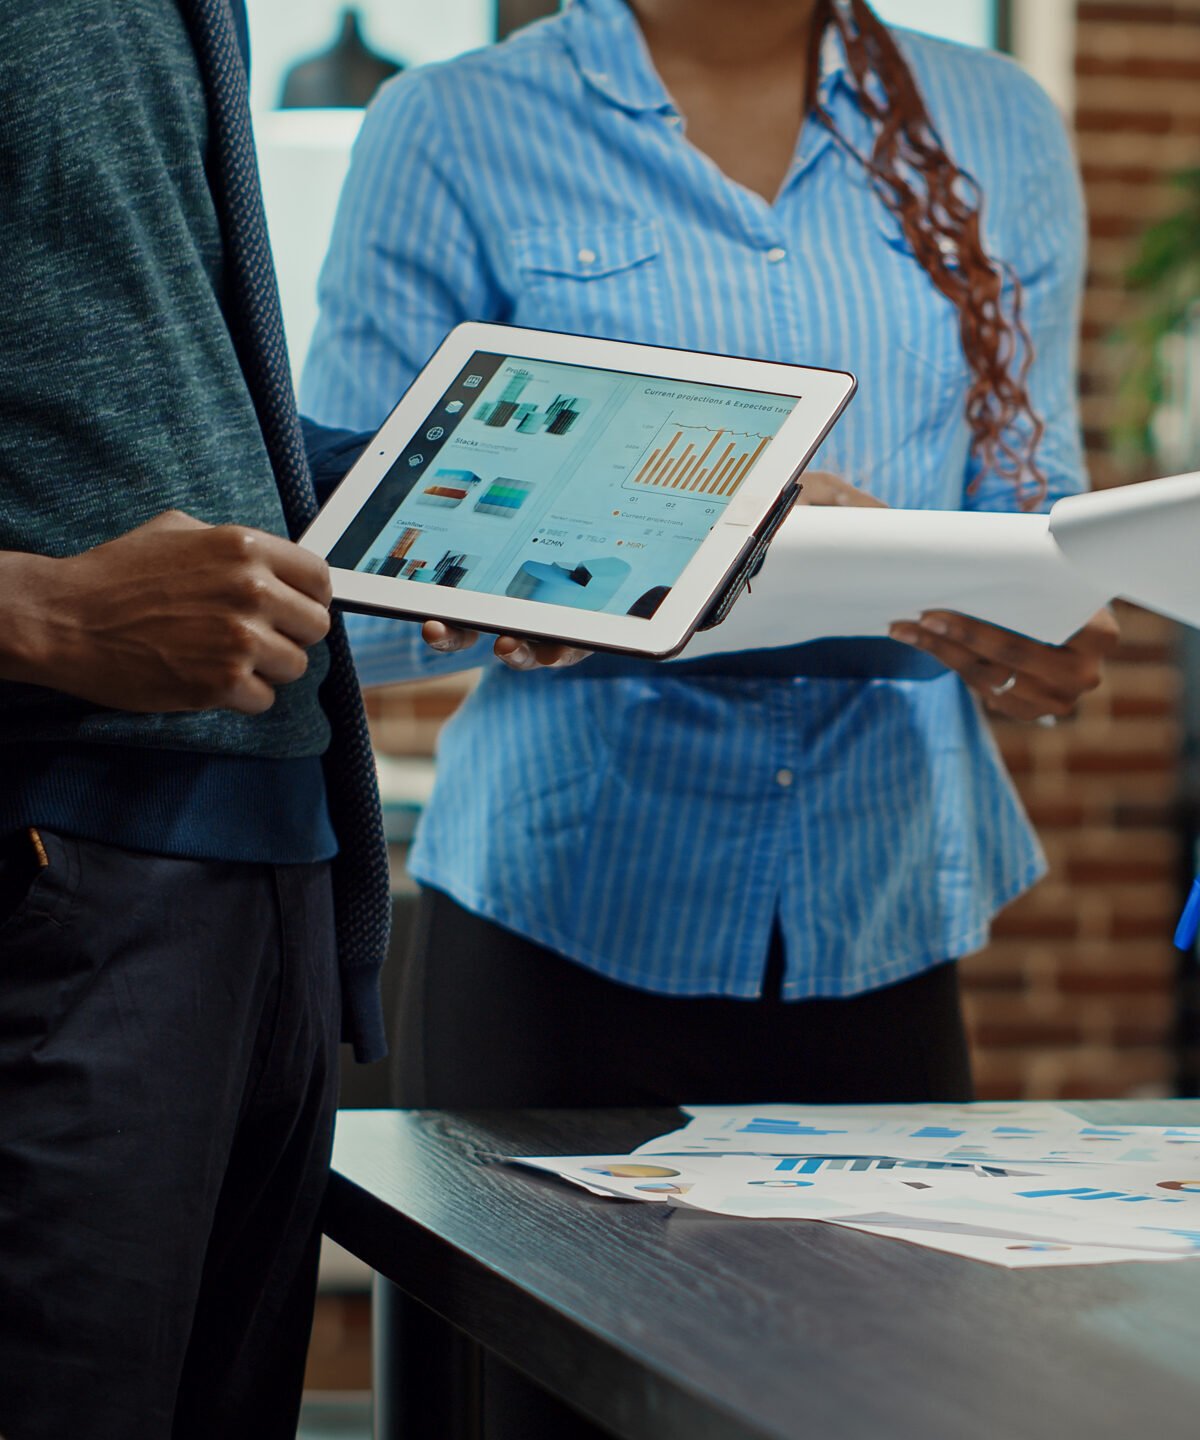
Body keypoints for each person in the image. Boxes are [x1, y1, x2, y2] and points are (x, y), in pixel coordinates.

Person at [303, 0, 1116, 1111]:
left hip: (884, 927)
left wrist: (1046, 624)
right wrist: (686, 543)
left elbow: (1032, 498)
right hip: (559, 926)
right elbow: (347, 580)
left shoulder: (996, 123)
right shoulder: (452, 125)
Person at [0, 3, 391, 1437]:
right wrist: (37, 614)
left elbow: (169, 409)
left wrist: (463, 523)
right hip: (57, 870)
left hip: (267, 872)